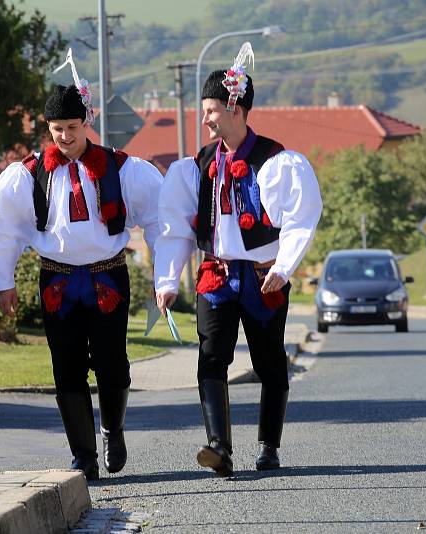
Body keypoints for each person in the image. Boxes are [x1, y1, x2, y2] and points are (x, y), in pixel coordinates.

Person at [0, 52, 163, 480]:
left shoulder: (124, 169)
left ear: (87, 124)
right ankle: (83, 457)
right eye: (57, 129)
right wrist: (2, 280)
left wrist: (164, 273)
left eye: (72, 128)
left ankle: (112, 428)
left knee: (113, 365)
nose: (64, 137)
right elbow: (0, 226)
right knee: (65, 367)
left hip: (108, 275)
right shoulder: (28, 175)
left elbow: (159, 217)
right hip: (57, 280)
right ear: (49, 129)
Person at [154, 44, 322, 476]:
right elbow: (176, 229)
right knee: (211, 356)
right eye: (204, 110)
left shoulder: (278, 162)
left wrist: (284, 268)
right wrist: (168, 280)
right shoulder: (194, 167)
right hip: (217, 274)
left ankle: (268, 446)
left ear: (235, 107)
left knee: (269, 363)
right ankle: (219, 447)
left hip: (265, 276)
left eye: (211, 110)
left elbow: (301, 219)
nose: (206, 119)